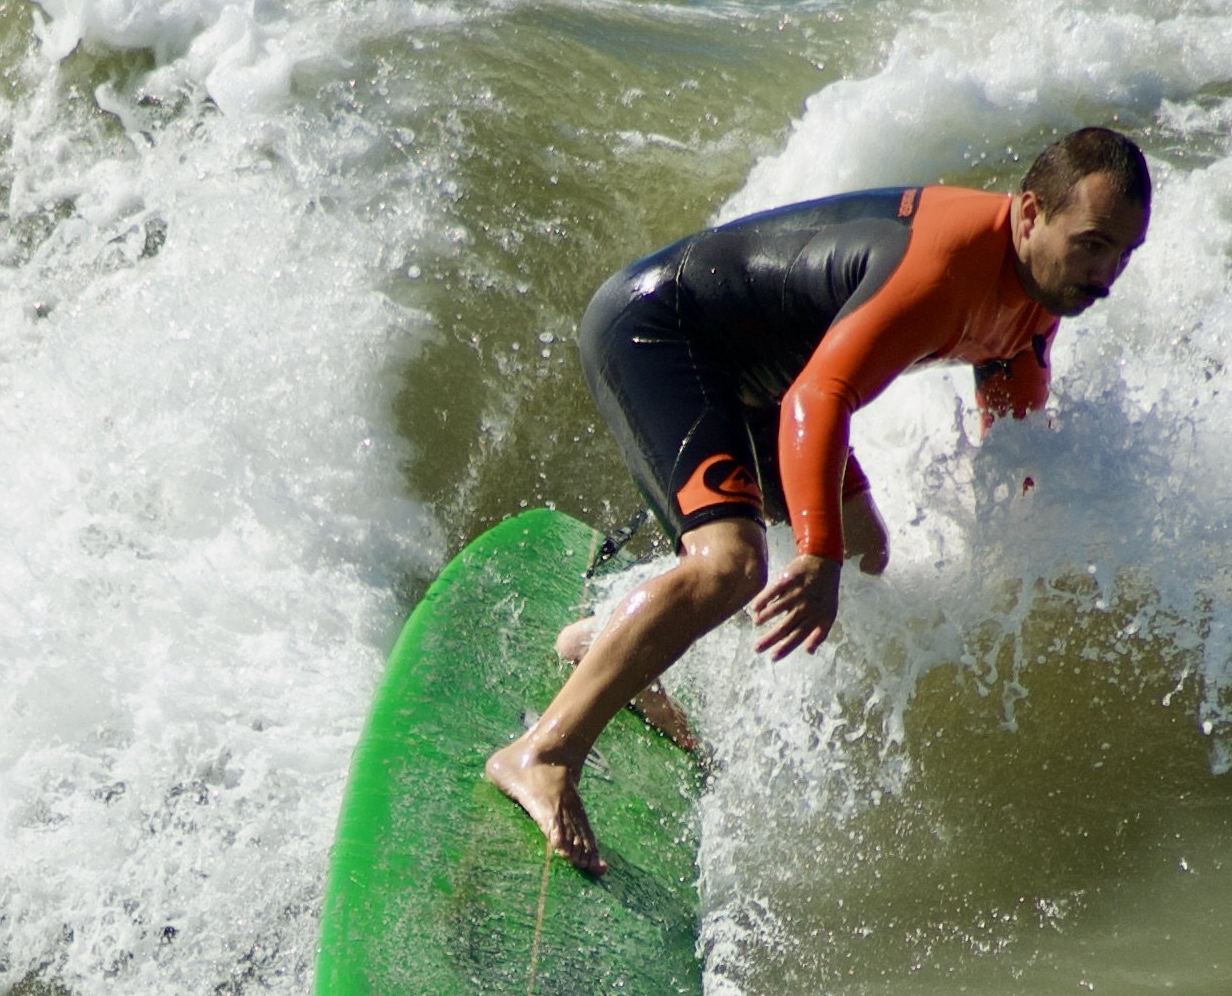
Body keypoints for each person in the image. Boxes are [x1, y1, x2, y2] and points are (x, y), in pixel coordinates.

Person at [487, 126, 1153, 873]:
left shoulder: (1038, 302)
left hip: (761, 379)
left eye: (1123, 255)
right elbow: (818, 395)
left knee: (868, 550)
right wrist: (814, 552)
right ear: (1030, 214)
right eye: (1093, 244)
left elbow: (1018, 447)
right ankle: (542, 753)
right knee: (732, 564)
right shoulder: (946, 264)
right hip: (661, 333)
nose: (1105, 274)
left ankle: (609, 641)